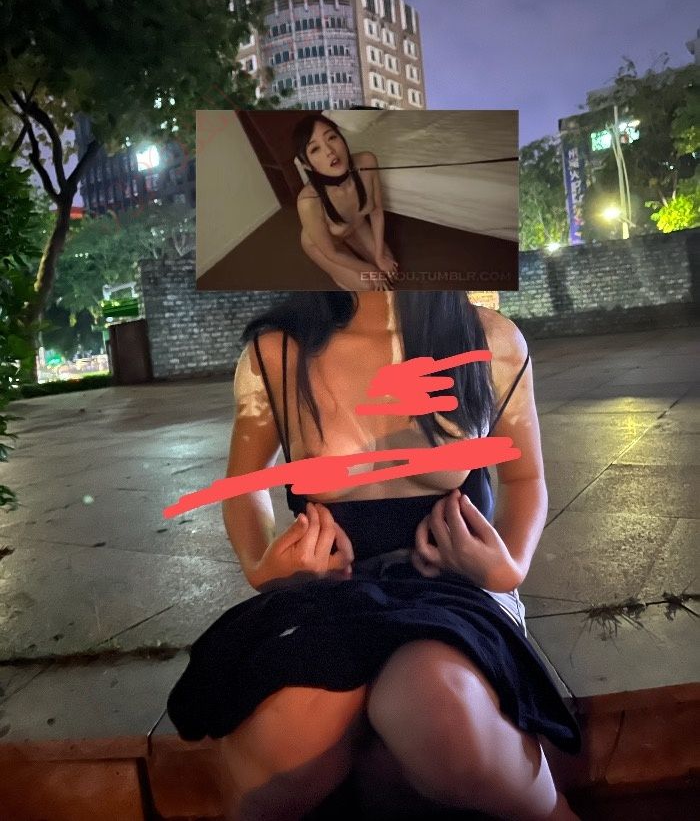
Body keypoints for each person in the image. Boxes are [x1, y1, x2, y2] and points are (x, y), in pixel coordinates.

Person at [167, 291, 581, 821]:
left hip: (455, 587)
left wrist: (507, 568)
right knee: (285, 750)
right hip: (327, 591)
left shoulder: (489, 339)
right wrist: (263, 566)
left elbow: (526, 477)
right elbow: (242, 486)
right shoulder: (278, 352)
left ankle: (550, 810)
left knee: (446, 717)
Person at [293, 114, 399, 291]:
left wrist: (380, 257)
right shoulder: (308, 202)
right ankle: (339, 276)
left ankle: (355, 266)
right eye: (315, 149)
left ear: (342, 138)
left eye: (331, 137)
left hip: (355, 227)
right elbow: (331, 253)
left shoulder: (367, 162)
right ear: (307, 165)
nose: (329, 151)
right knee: (370, 285)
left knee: (390, 270)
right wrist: (371, 269)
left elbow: (376, 212)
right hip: (326, 245)